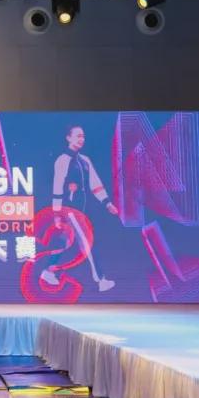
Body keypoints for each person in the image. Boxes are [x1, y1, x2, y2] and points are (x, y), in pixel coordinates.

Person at [39, 125, 119, 292]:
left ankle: (47, 271)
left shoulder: (85, 161)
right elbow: (57, 187)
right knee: (88, 242)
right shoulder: (62, 160)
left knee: (66, 242)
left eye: (83, 136)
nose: (82, 139)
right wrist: (57, 214)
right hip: (70, 211)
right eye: (78, 136)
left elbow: (95, 183)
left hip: (83, 211)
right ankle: (101, 280)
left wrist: (107, 203)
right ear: (68, 138)